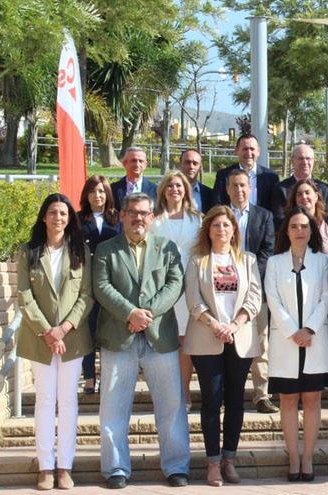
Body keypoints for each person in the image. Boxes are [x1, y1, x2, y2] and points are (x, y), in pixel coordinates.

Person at [92, 192, 189, 489]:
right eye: (132, 212)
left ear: (151, 217)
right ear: (121, 215)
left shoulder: (167, 248)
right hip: (118, 337)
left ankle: (176, 466)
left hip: (160, 337)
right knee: (113, 406)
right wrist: (130, 313)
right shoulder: (106, 249)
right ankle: (116, 468)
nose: (138, 218)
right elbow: (101, 285)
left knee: (171, 405)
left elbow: (176, 284)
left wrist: (148, 313)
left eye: (144, 213)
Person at [17, 193, 94, 490]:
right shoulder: (29, 251)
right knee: (45, 401)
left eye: (63, 213)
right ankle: (45, 467)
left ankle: (65, 466)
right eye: (52, 213)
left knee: (68, 401)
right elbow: (24, 296)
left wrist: (63, 329)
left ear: (70, 218)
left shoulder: (80, 251)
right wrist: (48, 331)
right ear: (43, 217)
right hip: (40, 340)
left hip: (72, 339)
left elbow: (86, 295)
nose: (58, 218)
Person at [184, 206, 262, 486]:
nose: (221, 230)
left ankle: (230, 459)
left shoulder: (248, 260)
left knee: (235, 401)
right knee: (211, 401)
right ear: (208, 230)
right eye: (216, 225)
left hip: (238, 338)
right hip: (208, 338)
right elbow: (193, 300)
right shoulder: (197, 261)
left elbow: (254, 299)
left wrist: (235, 324)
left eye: (226, 225)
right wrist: (215, 324)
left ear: (234, 230)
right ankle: (213, 463)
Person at [265, 207, 328, 482]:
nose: (300, 231)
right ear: (286, 230)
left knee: (313, 398)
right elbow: (272, 299)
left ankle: (308, 458)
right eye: (294, 226)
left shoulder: (322, 262)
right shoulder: (274, 262)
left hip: (315, 339)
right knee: (288, 399)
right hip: (286, 341)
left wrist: (309, 329)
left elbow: (327, 296)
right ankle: (293, 458)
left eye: (305, 226)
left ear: (312, 231)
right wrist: (293, 331)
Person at [284, 178, 328, 408]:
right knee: (302, 339)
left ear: (317, 196)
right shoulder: (290, 223)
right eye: (300, 194)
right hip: (299, 293)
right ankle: (302, 387)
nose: (304, 198)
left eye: (308, 193)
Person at [226, 169, 278, 414]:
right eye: (234, 186)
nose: (239, 190)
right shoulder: (219, 216)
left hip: (256, 289)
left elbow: (268, 251)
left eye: (243, 185)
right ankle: (227, 392)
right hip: (223, 290)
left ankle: (262, 394)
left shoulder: (264, 216)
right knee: (227, 343)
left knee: (261, 343)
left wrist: (247, 278)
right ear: (227, 189)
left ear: (250, 188)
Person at [152, 171, 203, 412]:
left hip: (190, 287)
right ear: (163, 190)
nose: (175, 189)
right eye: (170, 185)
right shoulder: (155, 221)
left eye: (179, 185)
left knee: (185, 343)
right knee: (165, 343)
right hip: (162, 287)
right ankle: (167, 395)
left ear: (186, 190)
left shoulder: (198, 220)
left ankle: (184, 393)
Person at [78, 175, 121, 395]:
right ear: (87, 194)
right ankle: (88, 375)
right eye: (93, 191)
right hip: (86, 282)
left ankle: (106, 375)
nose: (98, 195)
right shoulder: (77, 219)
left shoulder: (117, 218)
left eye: (102, 191)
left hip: (111, 282)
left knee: (108, 330)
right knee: (88, 329)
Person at [272, 143, 328, 226]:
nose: (305, 162)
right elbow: (279, 220)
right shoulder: (281, 189)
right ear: (292, 161)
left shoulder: (325, 189)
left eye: (308, 158)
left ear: (313, 161)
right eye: (301, 158)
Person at [214, 134, 278, 210]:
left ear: (258, 152)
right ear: (237, 151)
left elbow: (275, 208)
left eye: (252, 149)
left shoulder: (271, 177)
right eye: (245, 149)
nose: (249, 153)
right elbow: (217, 204)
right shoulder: (223, 175)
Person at [178, 148, 216, 213]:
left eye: (195, 163)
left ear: (200, 168)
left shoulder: (209, 194)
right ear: (180, 165)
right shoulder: (168, 191)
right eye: (187, 162)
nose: (191, 167)